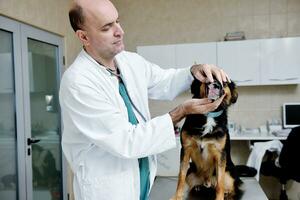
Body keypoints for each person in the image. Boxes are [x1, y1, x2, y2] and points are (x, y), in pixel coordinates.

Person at [59, 0, 230, 200]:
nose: (120, 31)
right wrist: (181, 112)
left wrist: (193, 70)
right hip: (108, 189)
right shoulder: (78, 82)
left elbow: (165, 80)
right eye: (107, 27)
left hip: (141, 180)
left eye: (118, 21)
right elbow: (126, 141)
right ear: (83, 36)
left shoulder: (129, 61)